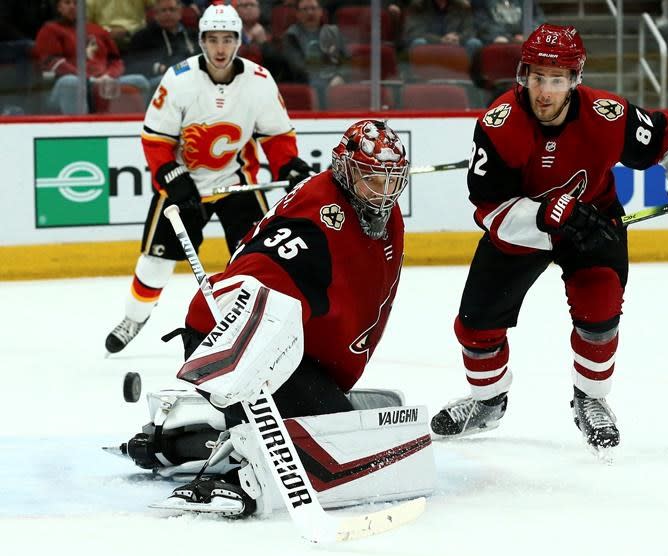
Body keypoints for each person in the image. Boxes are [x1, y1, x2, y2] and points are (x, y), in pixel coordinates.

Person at [429, 24, 668, 452]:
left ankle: (590, 399)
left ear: (574, 80)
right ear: (524, 75)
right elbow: (488, 208)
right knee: (477, 327)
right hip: (522, 232)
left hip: (593, 224)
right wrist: (544, 215)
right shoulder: (499, 124)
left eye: (557, 80)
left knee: (600, 316)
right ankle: (487, 403)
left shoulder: (606, 114)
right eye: (538, 78)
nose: (545, 91)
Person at [115, 120, 434, 517]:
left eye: (390, 181)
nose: (383, 192)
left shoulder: (377, 214)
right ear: (346, 171)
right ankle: (234, 478)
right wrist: (243, 354)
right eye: (371, 178)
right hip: (233, 339)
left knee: (329, 426)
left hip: (296, 349)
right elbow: (259, 274)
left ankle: (171, 443)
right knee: (318, 441)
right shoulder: (321, 214)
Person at [105, 3, 312, 354]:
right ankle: (135, 317)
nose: (220, 48)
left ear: (238, 41)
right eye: (213, 39)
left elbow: (276, 137)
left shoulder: (259, 81)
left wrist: (288, 165)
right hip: (185, 184)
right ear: (201, 40)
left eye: (227, 39)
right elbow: (156, 138)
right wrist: (171, 175)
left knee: (259, 260)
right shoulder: (180, 79)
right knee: (155, 262)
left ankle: (255, 326)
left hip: (237, 182)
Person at [34, 0, 151, 115]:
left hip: (102, 82)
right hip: (70, 85)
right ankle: (80, 130)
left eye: (76, 3)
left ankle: (134, 129)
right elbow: (51, 62)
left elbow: (115, 60)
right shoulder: (50, 29)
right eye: (67, 3)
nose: (72, 7)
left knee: (139, 81)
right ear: (58, 7)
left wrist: (108, 76)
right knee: (70, 83)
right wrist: (88, 79)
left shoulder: (97, 29)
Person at [126, 0, 198, 95]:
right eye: (163, 10)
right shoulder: (142, 36)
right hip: (158, 81)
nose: (168, 14)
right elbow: (132, 64)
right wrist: (158, 68)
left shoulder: (193, 34)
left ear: (180, 12)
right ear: (155, 14)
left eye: (172, 10)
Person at [282, 0, 349, 93]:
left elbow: (345, 61)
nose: (310, 12)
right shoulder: (291, 35)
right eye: (305, 9)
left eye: (313, 8)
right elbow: (298, 66)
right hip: (305, 86)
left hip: (334, 85)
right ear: (297, 13)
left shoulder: (334, 32)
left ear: (321, 11)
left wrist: (340, 76)